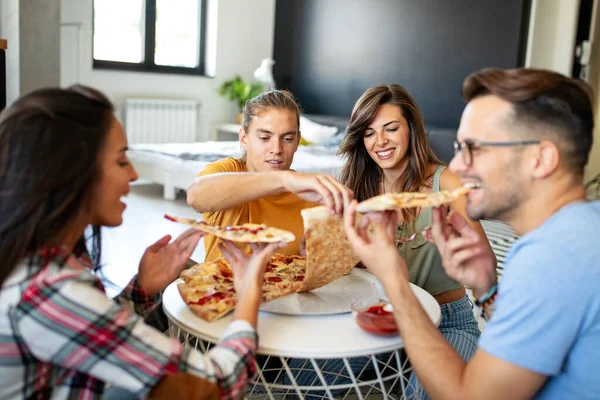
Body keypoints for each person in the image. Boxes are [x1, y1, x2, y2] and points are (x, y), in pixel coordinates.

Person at [0, 85, 286, 399]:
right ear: (72, 175)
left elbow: (89, 331)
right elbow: (216, 385)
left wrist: (143, 288)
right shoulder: (51, 290)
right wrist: (248, 292)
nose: (134, 175)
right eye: (122, 162)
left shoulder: (46, 255)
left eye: (288, 137)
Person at [344, 68, 600, 399]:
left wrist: (393, 276)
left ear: (541, 159)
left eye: (474, 148)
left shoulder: (553, 259)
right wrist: (487, 287)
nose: (459, 167)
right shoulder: (577, 233)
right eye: (459, 147)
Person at [338, 84, 491, 394]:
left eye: (390, 129)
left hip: (447, 321)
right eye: (368, 133)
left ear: (412, 128)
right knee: (310, 379)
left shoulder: (446, 183)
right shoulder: (356, 185)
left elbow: (483, 271)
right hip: (380, 316)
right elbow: (347, 265)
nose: (379, 141)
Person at [187, 89, 353, 261]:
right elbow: (195, 197)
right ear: (244, 138)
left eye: (287, 139)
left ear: (297, 141)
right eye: (265, 138)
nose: (276, 149)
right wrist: (283, 179)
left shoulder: (311, 196)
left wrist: (311, 260)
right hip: (223, 286)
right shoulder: (226, 172)